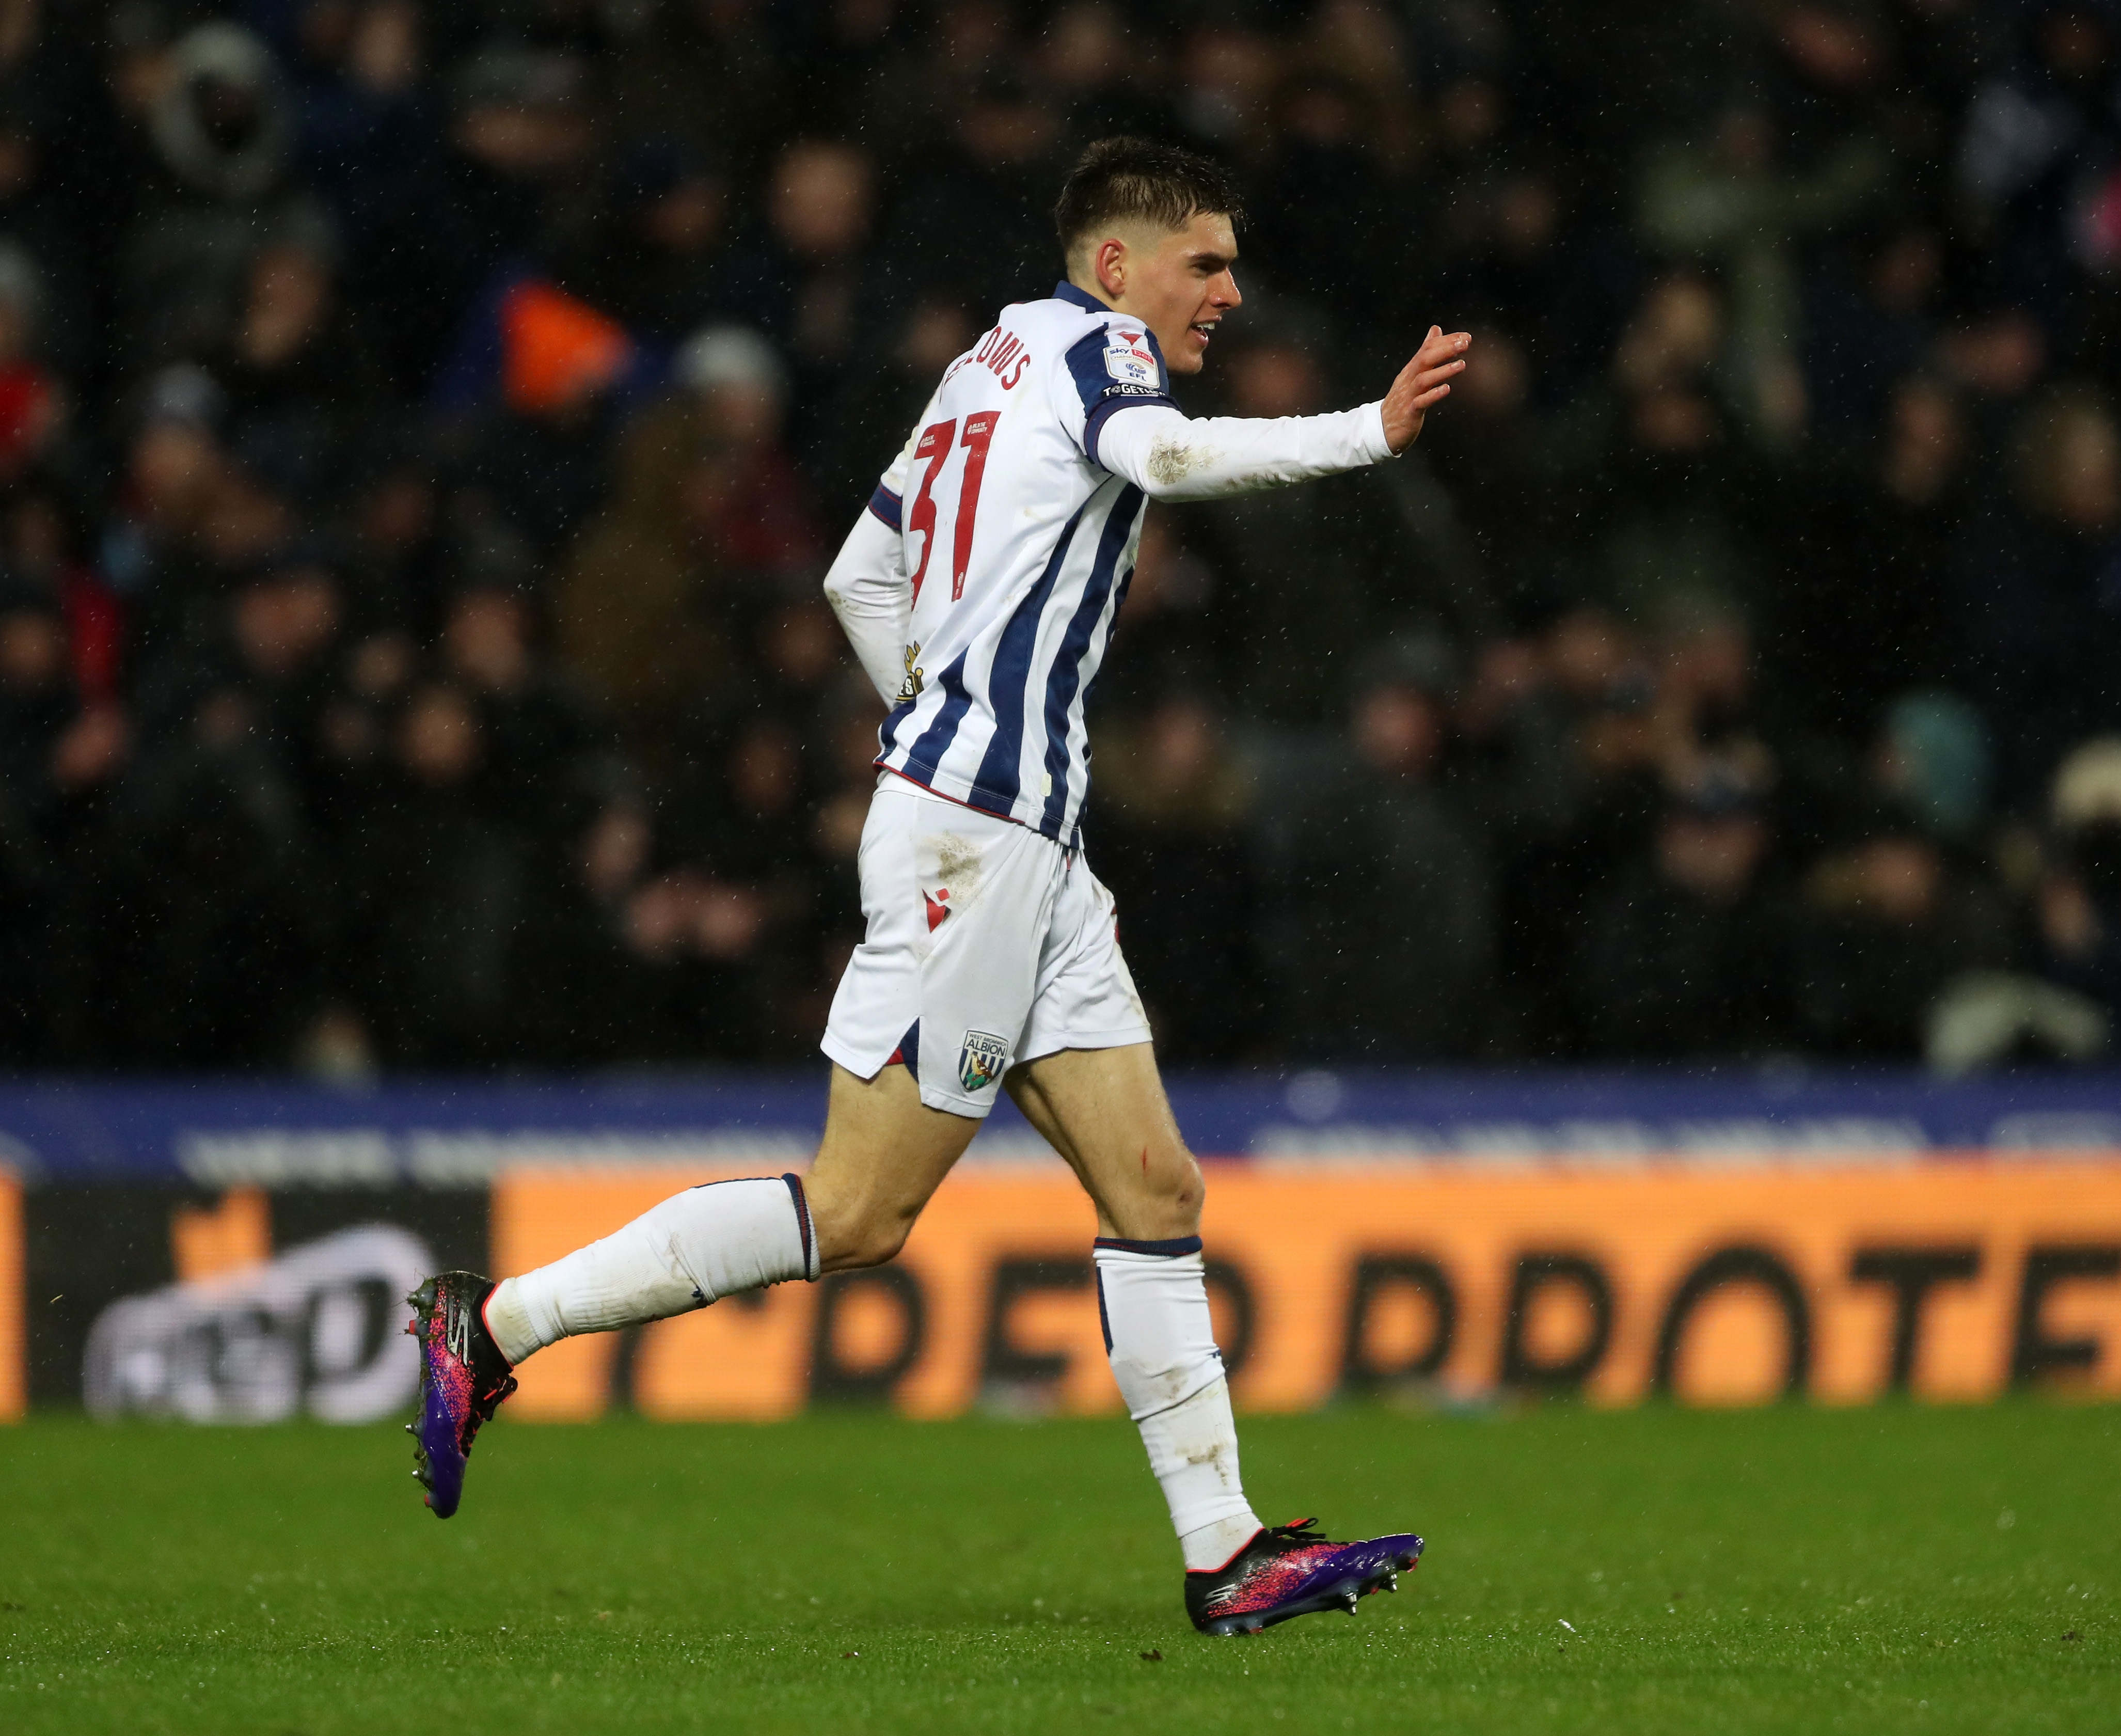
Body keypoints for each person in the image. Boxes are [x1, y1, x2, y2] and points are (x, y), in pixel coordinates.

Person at [401, 138, 1465, 1637]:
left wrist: (932, 725)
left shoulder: (991, 356)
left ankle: (1226, 1552)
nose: (1226, 291)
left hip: (1011, 832)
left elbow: (856, 574)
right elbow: (1160, 462)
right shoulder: (1102, 357)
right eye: (1204, 263)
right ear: (1116, 264)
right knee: (856, 1211)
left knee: (1155, 1185)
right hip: (980, 835)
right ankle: (493, 1326)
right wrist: (1365, 429)